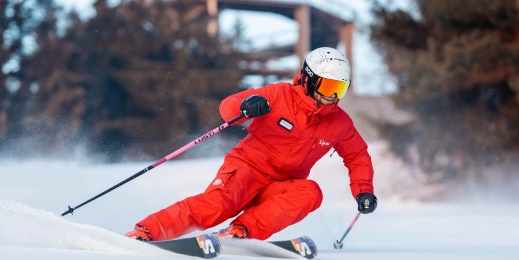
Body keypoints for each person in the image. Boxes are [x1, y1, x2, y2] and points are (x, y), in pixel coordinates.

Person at [126, 47, 377, 241]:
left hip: (281, 185)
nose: (332, 96)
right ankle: (146, 232)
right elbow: (228, 106)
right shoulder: (279, 95)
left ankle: (240, 233)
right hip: (246, 170)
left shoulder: (338, 122)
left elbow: (357, 156)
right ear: (310, 79)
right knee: (218, 205)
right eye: (328, 86)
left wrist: (364, 190)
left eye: (340, 89)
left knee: (310, 192)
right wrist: (245, 107)